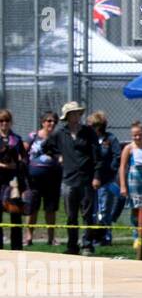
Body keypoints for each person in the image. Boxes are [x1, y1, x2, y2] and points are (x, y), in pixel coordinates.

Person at [48, 101, 98, 255]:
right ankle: (72, 245)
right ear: (67, 116)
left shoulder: (88, 132)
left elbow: (97, 156)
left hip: (87, 179)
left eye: (77, 112)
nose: (76, 115)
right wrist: (58, 156)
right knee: (71, 215)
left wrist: (96, 176)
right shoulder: (59, 133)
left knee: (88, 214)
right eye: (72, 113)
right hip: (68, 179)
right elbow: (47, 147)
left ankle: (87, 244)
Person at [26, 112, 62, 245]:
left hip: (52, 179)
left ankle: (51, 238)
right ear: (42, 122)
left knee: (50, 209)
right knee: (32, 208)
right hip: (34, 180)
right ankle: (28, 237)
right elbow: (24, 153)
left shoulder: (58, 138)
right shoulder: (33, 137)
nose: (51, 123)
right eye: (48, 121)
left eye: (54, 121)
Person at [87, 111, 122, 246]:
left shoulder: (110, 139)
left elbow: (117, 156)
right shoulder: (89, 139)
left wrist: (110, 170)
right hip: (91, 180)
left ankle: (105, 236)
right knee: (93, 210)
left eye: (93, 125)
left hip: (106, 180)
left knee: (104, 210)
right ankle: (93, 236)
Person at [0, 109, 27, 249]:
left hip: (13, 182)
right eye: (1, 121)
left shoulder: (16, 139)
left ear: (11, 122)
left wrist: (15, 165)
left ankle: (16, 248)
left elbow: (25, 159)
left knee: (15, 214)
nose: (4, 123)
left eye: (7, 120)